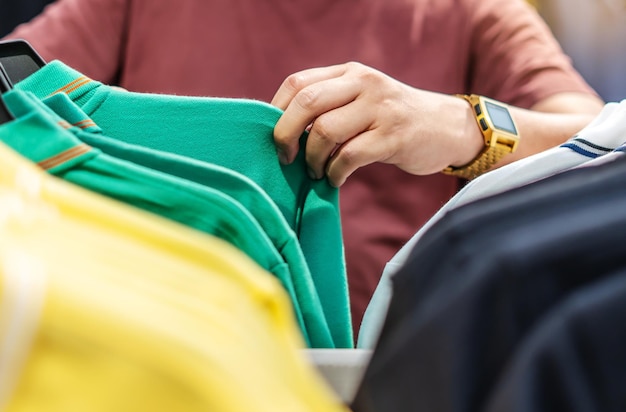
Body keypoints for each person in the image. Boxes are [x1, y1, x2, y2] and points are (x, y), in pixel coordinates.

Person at [2, 0, 604, 338]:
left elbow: (604, 141)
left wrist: (462, 125)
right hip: (149, 354)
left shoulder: (471, 15)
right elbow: (13, 93)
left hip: (382, 379)